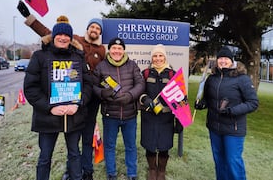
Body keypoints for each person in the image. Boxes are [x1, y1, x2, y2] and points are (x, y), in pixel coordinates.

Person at [17, 1, 105, 180]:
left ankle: (80, 175)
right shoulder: (42, 56)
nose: (63, 38)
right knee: (45, 157)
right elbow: (31, 88)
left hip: (76, 113)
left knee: (76, 152)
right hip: (48, 117)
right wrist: (50, 106)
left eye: (67, 35)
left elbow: (89, 83)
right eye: (60, 34)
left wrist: (78, 104)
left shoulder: (91, 53)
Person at [194, 46, 258, 180]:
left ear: (231, 61)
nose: (223, 61)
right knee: (219, 161)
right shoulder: (212, 78)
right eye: (220, 58)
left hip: (233, 128)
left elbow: (253, 103)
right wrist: (201, 104)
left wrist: (232, 111)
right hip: (214, 127)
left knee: (233, 162)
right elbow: (208, 99)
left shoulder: (242, 79)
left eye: (226, 58)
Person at [92, 37, 145, 180]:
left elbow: (140, 84)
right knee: (109, 146)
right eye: (114, 48)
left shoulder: (132, 65)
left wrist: (130, 96)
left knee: (131, 146)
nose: (117, 51)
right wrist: (102, 93)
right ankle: (111, 173)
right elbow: (93, 86)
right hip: (110, 115)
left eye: (119, 48)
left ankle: (132, 174)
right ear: (109, 50)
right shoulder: (101, 66)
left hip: (130, 115)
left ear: (123, 50)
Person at [138, 44, 183, 180]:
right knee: (149, 145)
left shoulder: (172, 74)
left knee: (164, 145)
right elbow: (140, 92)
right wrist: (145, 100)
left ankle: (161, 171)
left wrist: (179, 120)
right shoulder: (145, 73)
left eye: (160, 55)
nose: (158, 58)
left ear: (165, 57)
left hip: (166, 118)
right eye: (155, 56)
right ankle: (152, 170)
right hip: (149, 116)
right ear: (152, 58)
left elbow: (180, 99)